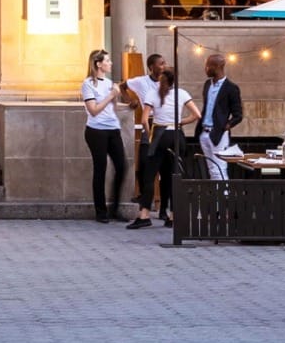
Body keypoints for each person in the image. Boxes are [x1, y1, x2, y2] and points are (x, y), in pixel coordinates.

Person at [123, 55, 200, 228]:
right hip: (177, 135)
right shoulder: (182, 93)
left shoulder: (152, 93)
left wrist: (151, 134)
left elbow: (144, 119)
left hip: (159, 134)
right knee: (174, 174)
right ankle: (173, 215)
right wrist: (179, 123)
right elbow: (197, 115)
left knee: (149, 175)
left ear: (161, 77)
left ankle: (144, 215)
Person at [80, 49, 127, 222]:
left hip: (113, 129)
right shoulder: (88, 84)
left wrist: (122, 98)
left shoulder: (109, 83)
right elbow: (93, 110)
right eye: (107, 60)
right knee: (100, 169)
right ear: (98, 64)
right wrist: (111, 95)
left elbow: (112, 107)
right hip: (96, 131)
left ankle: (115, 208)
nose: (110, 63)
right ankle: (101, 211)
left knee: (122, 167)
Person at [193, 53, 243, 182]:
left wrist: (225, 126)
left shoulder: (231, 88)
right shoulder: (207, 84)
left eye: (208, 65)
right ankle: (216, 198)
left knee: (219, 168)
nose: (205, 68)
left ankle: (222, 198)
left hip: (218, 134)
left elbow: (238, 115)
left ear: (217, 66)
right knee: (211, 169)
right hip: (204, 132)